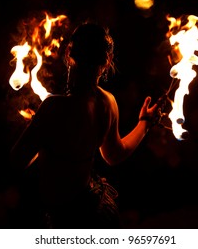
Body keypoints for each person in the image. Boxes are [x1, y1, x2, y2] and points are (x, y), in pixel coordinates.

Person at [9, 21, 164, 229]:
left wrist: (38, 130)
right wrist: (144, 124)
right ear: (107, 60)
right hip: (92, 213)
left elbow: (16, 162)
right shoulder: (108, 102)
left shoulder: (53, 107)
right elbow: (114, 155)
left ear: (69, 52)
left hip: (62, 220)